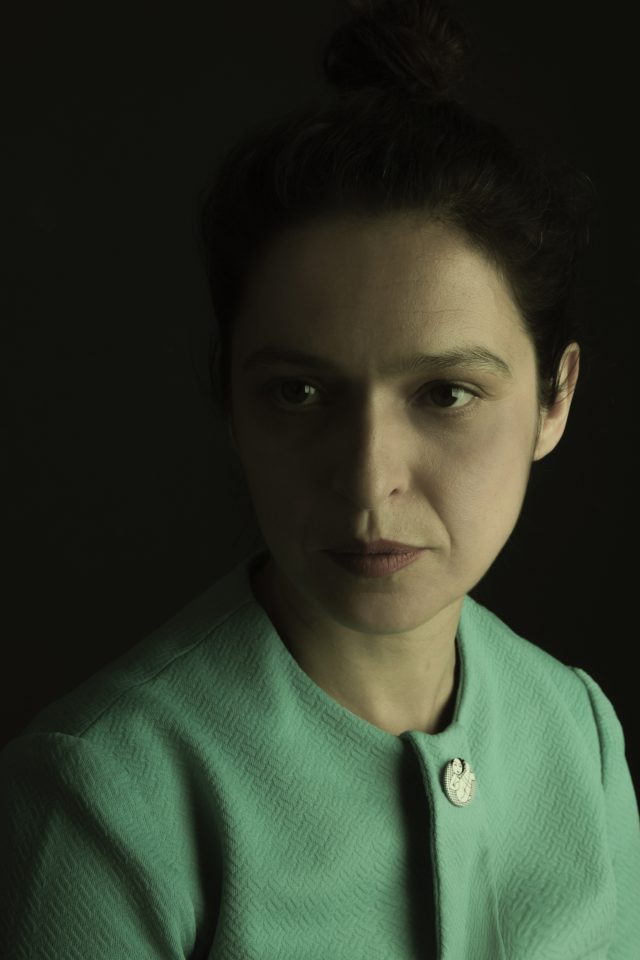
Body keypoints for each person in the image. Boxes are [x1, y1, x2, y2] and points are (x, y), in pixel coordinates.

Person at [1, 0, 638, 957]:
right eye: (298, 393)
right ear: (228, 397)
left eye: (446, 393)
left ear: (556, 399)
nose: (369, 481)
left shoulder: (579, 736)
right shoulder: (103, 805)